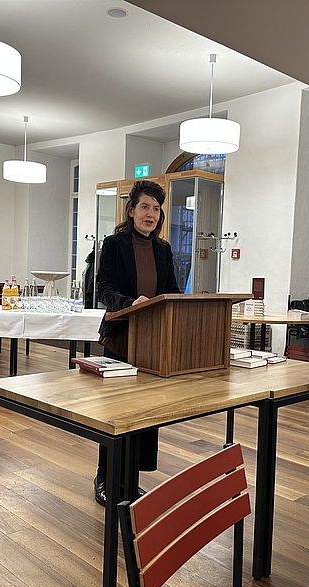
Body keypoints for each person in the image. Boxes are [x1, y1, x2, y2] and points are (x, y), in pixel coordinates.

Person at [92, 179, 181, 506]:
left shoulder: (163, 250)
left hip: (153, 341)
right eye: (145, 206)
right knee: (115, 413)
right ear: (131, 211)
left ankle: (130, 481)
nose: (151, 214)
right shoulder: (114, 245)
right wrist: (130, 303)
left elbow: (171, 291)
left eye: (156, 208)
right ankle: (105, 477)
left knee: (144, 412)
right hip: (121, 338)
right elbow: (103, 289)